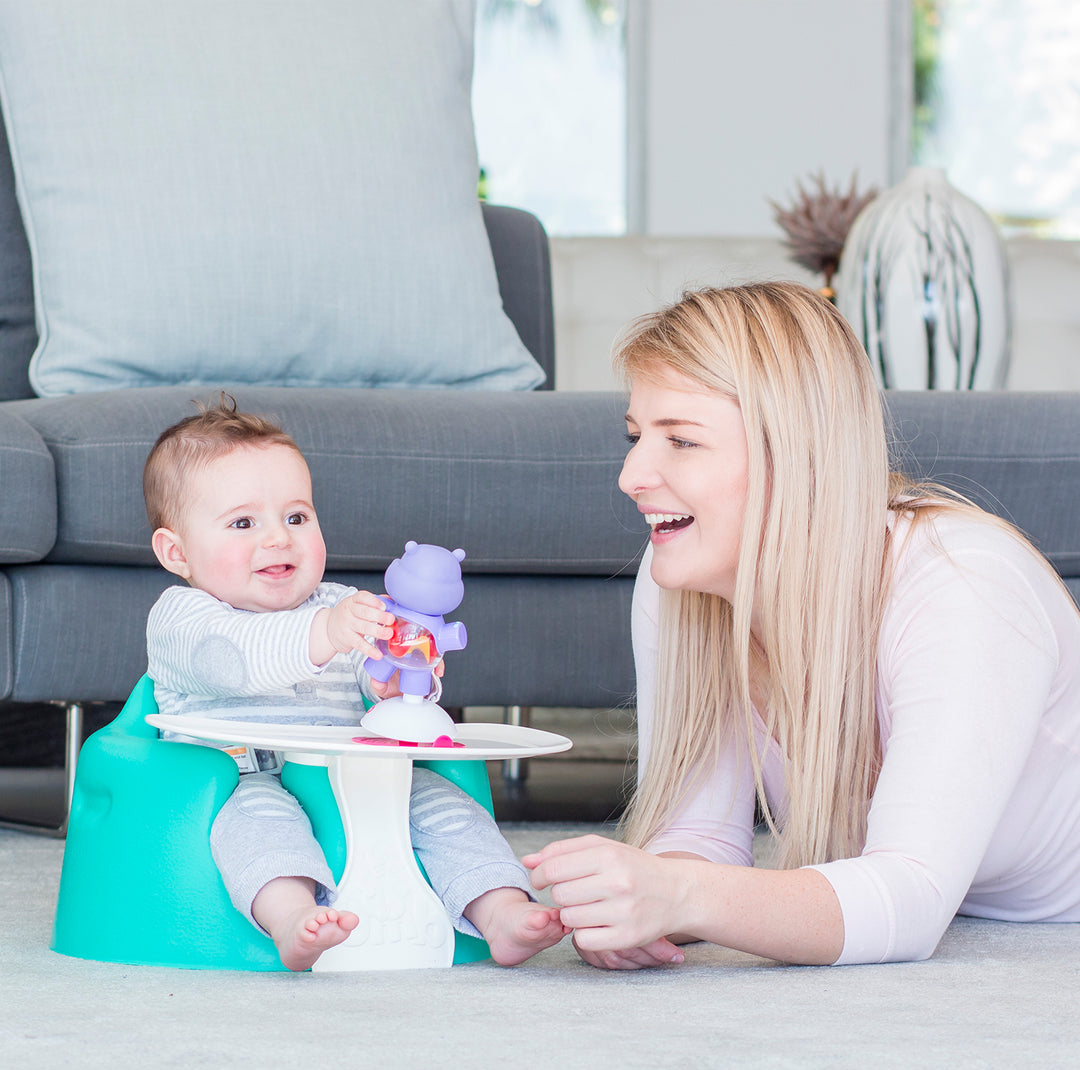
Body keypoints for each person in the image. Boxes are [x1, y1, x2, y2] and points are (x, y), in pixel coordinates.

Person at [524, 282, 1080, 969]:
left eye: (682, 441)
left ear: (798, 458)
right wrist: (642, 903)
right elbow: (699, 839)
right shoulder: (682, 574)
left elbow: (909, 901)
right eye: (636, 437)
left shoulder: (965, 584)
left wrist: (682, 894)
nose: (631, 475)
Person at [143, 397, 567, 971]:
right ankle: (292, 918)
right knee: (259, 826)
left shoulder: (342, 605)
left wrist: (400, 687)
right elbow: (234, 660)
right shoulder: (183, 618)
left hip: (359, 776)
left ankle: (500, 910)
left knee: (446, 807)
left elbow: (376, 690)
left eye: (297, 517)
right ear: (176, 552)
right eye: (244, 523)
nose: (278, 538)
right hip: (241, 778)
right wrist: (326, 632)